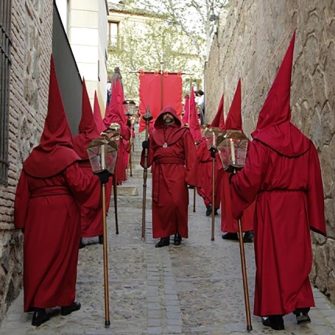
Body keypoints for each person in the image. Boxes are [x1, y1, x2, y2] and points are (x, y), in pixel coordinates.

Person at [229, 34, 326, 330]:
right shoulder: (305, 142)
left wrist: (235, 181)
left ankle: (273, 313)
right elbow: (314, 181)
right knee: (297, 256)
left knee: (273, 258)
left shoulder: (262, 140)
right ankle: (301, 306)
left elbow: (253, 178)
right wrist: (313, 214)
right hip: (296, 207)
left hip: (272, 207)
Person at [14, 57, 107, 327]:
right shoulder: (67, 156)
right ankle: (65, 302)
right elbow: (80, 185)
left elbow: (22, 192)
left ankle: (39, 308)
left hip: (36, 215)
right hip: (63, 213)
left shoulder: (32, 158)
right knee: (63, 258)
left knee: (38, 257)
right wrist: (98, 180)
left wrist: (21, 221)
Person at [141, 106, 198, 247]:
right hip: (160, 172)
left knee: (178, 203)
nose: (167, 116)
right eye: (164, 114)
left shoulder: (184, 133)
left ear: (174, 116)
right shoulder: (154, 133)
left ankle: (178, 232)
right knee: (163, 205)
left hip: (177, 171)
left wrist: (191, 176)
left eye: (169, 114)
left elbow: (191, 155)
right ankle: (164, 235)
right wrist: (146, 148)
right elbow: (148, 161)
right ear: (161, 117)